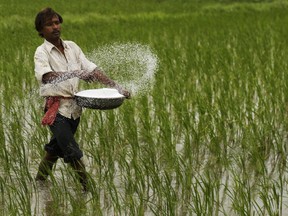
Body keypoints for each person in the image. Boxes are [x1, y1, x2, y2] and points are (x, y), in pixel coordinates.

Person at [34, 7, 130, 191]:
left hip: (75, 110)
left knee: (54, 150)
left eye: (56, 22)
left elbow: (92, 70)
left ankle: (39, 183)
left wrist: (117, 87)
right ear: (41, 30)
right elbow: (46, 77)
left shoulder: (72, 47)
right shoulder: (41, 52)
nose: (55, 27)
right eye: (49, 24)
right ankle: (88, 189)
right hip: (56, 111)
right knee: (71, 150)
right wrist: (76, 72)